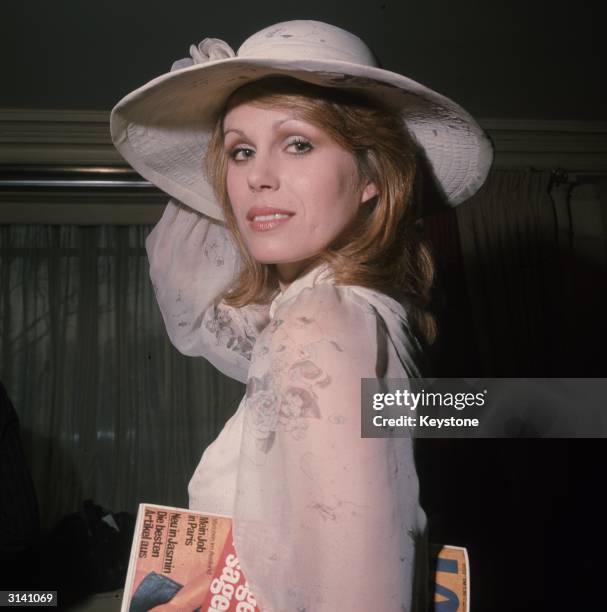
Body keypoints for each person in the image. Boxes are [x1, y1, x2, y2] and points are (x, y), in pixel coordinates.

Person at [111, 19, 492, 611]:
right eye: (241, 150)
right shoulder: (347, 314)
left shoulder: (320, 321)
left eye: (298, 143)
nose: (257, 177)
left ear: (369, 176)